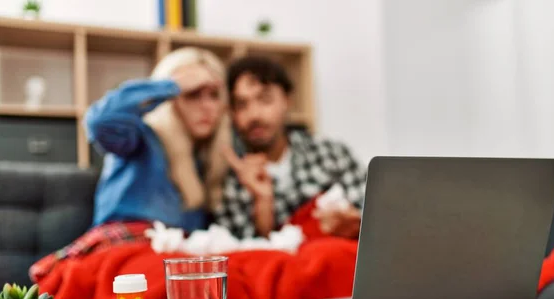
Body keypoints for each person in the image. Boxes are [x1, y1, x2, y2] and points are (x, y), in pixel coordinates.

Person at [216, 56, 366, 239]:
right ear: (231, 113)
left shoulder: (331, 154)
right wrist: (263, 202)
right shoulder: (230, 180)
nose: (254, 114)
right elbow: (244, 257)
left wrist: (355, 222)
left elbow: (376, 215)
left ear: (287, 101)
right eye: (241, 104)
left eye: (265, 100)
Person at [85, 47, 230, 232]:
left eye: (214, 95)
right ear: (170, 101)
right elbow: (101, 121)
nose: (207, 106)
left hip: (173, 256)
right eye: (193, 94)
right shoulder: (140, 140)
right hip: (120, 250)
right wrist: (171, 86)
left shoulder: (206, 160)